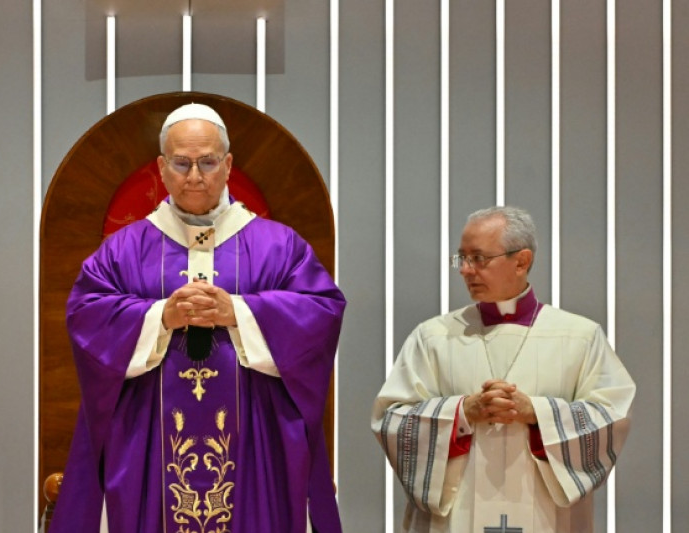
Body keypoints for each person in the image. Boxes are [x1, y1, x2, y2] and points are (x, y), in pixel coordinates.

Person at [50, 103, 346, 532]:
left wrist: (241, 313)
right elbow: (86, 314)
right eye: (182, 163)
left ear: (227, 165)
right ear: (161, 168)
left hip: (252, 442)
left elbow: (321, 311)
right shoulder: (124, 250)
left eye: (207, 162)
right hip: (150, 443)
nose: (194, 175)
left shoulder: (280, 246)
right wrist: (159, 317)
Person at [372, 206, 635, 533]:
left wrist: (538, 414)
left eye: (478, 259)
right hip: (454, 518)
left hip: (546, 516)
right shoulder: (433, 337)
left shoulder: (580, 336)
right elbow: (391, 419)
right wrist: (462, 412)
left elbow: (612, 418)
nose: (465, 270)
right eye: (461, 259)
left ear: (521, 261)